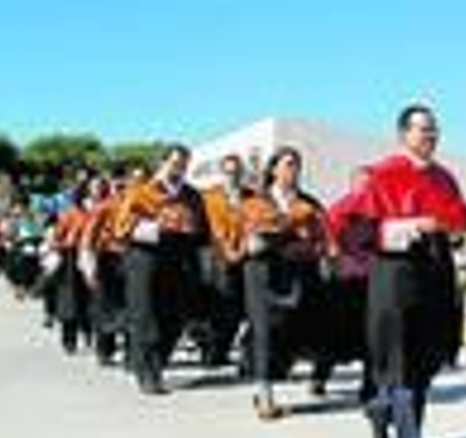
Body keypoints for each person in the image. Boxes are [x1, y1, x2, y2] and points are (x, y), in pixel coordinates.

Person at [339, 104, 466, 438]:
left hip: (435, 274)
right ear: (403, 135)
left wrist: (449, 229)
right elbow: (356, 231)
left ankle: (379, 407)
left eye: (434, 129)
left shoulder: (445, 177)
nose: (430, 135)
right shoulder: (383, 174)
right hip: (396, 274)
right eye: (422, 129)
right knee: (400, 360)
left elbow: (460, 218)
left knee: (426, 359)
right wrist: (400, 228)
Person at [239, 147, 330, 421]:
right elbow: (252, 234)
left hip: (299, 272)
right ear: (274, 169)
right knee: (265, 329)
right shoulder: (255, 201)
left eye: (297, 164)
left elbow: (320, 235)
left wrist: (306, 243)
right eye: (288, 163)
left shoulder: (309, 203)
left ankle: (276, 378)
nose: (293, 169)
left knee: (292, 330)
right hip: (262, 273)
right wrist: (286, 230)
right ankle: (265, 395)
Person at [112, 144, 209, 395]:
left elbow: (203, 231)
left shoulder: (192, 195)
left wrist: (192, 233)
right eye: (175, 162)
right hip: (145, 258)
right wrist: (160, 228)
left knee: (174, 317)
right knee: (146, 316)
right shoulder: (142, 191)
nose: (179, 168)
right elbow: (122, 227)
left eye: (184, 163)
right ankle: (149, 373)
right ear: (162, 163)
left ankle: (155, 362)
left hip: (179, 259)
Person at [316, 166, 378, 406]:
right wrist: (340, 259)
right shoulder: (340, 208)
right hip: (344, 281)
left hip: (372, 281)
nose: (368, 187)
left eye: (371, 183)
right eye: (363, 183)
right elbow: (328, 239)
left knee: (371, 336)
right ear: (352, 184)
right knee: (333, 335)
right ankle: (320, 374)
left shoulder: (381, 210)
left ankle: (369, 385)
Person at [198, 154, 253, 369]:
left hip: (244, 256)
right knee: (216, 307)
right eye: (229, 171)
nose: (233, 175)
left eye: (237, 171)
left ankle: (226, 351)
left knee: (240, 308)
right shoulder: (209, 196)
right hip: (216, 258)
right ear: (222, 173)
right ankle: (212, 351)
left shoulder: (252, 197)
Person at [79, 175, 128, 367]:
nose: (121, 189)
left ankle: (130, 352)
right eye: (118, 185)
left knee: (129, 306)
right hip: (107, 259)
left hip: (129, 260)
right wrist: (88, 266)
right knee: (104, 306)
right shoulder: (104, 207)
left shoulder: (134, 206)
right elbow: (88, 239)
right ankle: (104, 349)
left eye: (124, 185)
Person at [50, 180, 97, 355]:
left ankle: (90, 336)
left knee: (91, 299)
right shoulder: (70, 214)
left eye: (98, 192)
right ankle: (69, 339)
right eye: (90, 194)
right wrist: (63, 244)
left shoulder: (99, 211)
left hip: (93, 256)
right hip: (71, 256)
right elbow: (57, 237)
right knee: (70, 300)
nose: (93, 197)